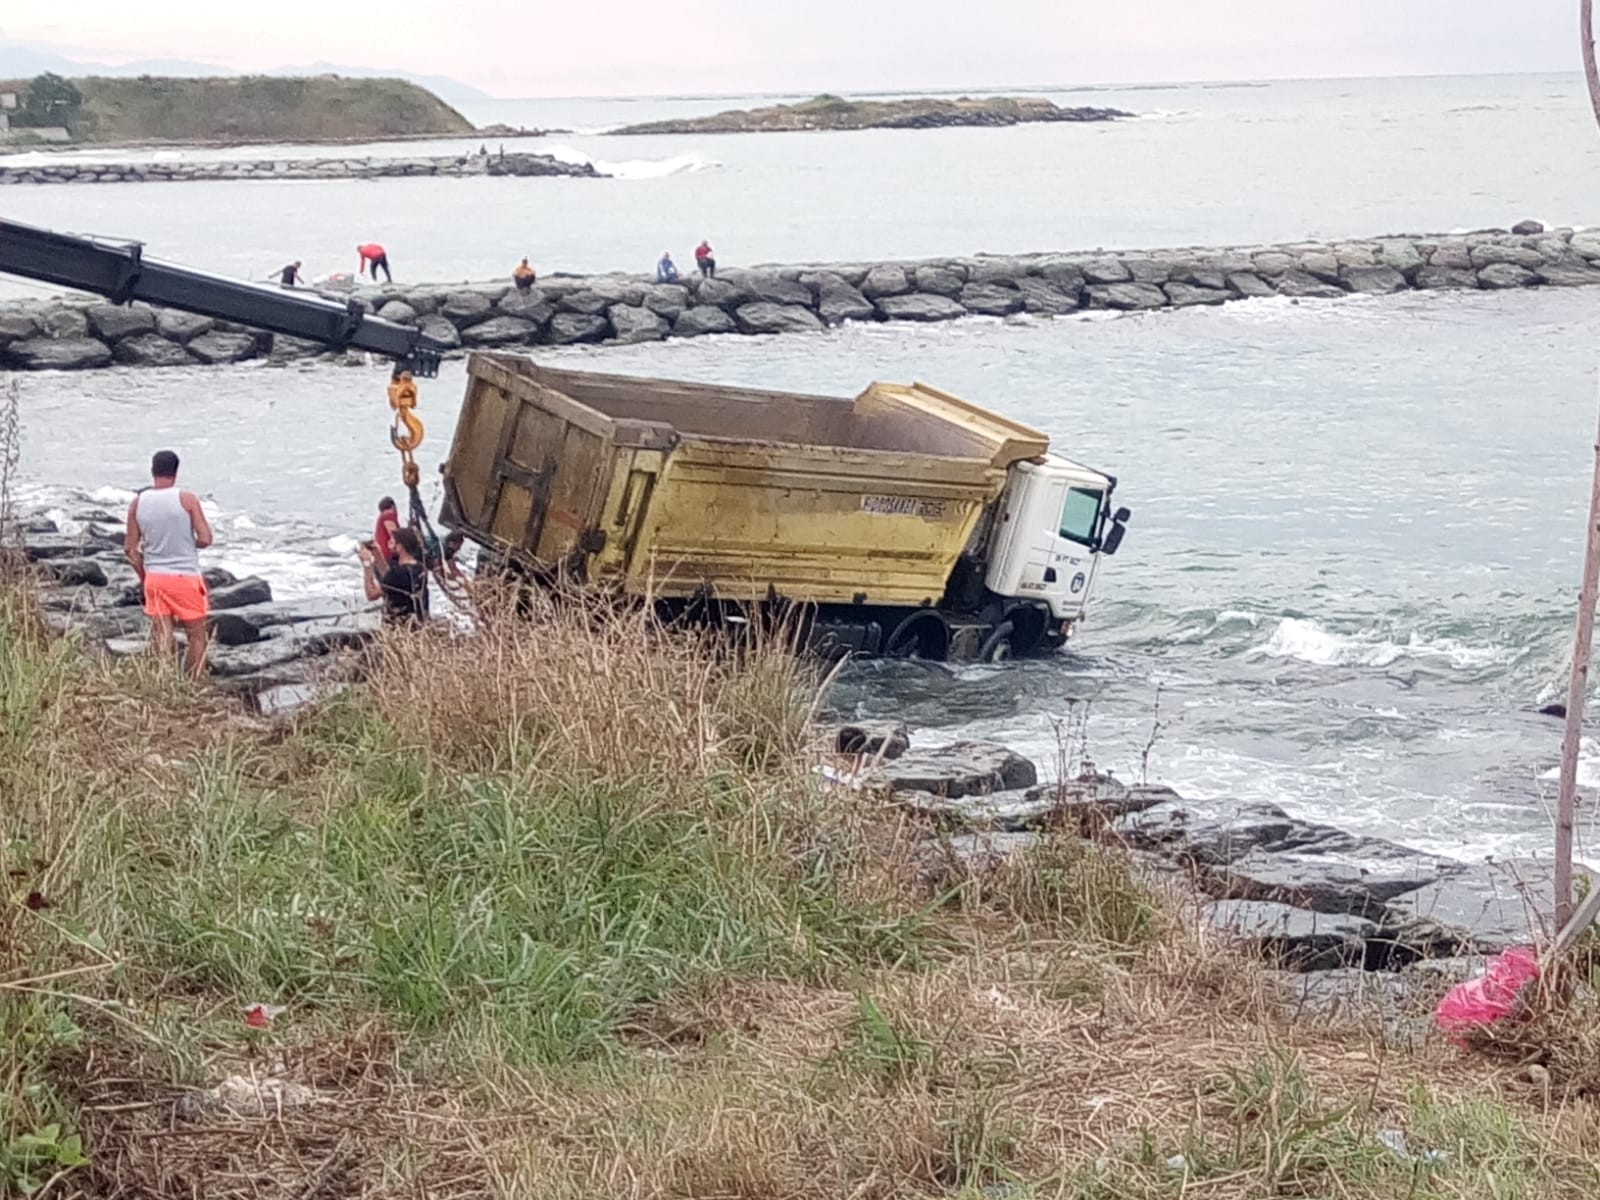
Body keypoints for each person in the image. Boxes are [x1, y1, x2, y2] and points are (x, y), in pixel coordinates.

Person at [125, 449, 214, 680]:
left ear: (152, 471)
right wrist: (189, 543)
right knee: (196, 633)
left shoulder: (138, 503)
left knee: (162, 633)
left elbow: (130, 550)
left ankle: (163, 681)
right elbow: (205, 538)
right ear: (175, 472)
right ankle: (195, 682)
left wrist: (144, 576)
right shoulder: (187, 499)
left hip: (155, 578)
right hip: (185, 576)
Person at [361, 526, 430, 625]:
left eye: (393, 540)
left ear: (400, 546)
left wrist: (367, 564)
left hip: (398, 626)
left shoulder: (397, 574)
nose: (389, 542)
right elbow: (391, 581)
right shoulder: (420, 568)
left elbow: (371, 594)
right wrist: (378, 555)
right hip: (416, 623)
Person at [374, 496, 400, 567]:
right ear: (393, 506)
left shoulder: (381, 517)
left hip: (380, 559)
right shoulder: (388, 515)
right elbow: (394, 534)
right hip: (389, 557)